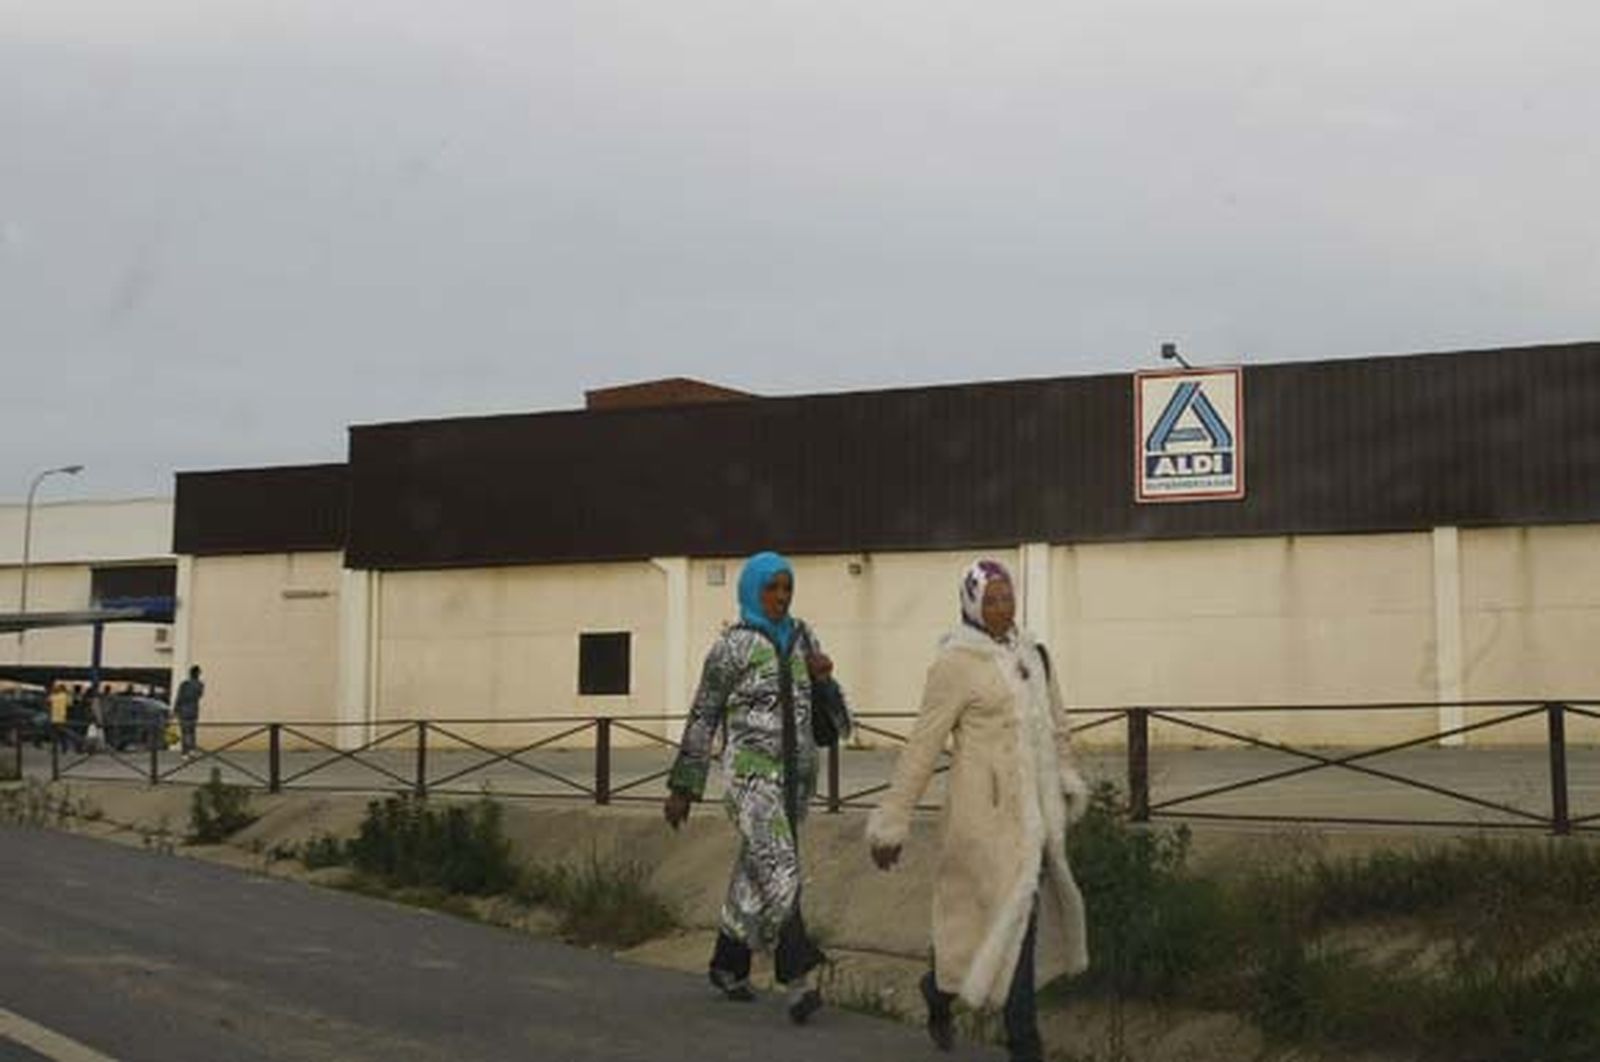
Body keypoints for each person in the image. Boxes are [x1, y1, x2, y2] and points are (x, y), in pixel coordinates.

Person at [866, 559, 1090, 1062]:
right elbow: (923, 746)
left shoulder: (1034, 655)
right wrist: (892, 820)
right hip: (980, 822)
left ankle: (1009, 1033)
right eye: (990, 599)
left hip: (1033, 820)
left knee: (1019, 923)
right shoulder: (955, 664)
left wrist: (1068, 778)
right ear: (970, 604)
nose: (1002, 608)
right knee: (988, 927)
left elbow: (1057, 727)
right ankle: (952, 1000)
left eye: (1007, 597)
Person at [664, 551, 834, 1023]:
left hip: (795, 781)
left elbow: (832, 717)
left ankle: (727, 964)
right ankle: (798, 979)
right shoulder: (730, 648)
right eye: (771, 588)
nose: (780, 597)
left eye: (786, 588)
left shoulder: (803, 638)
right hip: (750, 779)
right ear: (751, 591)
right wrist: (684, 787)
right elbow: (703, 716)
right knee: (780, 868)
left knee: (755, 872)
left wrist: (825, 680)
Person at [174, 665, 204, 755]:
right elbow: (199, 696)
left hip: (183, 710)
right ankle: (192, 749)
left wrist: (175, 709)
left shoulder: (184, 684)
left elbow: (179, 697)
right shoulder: (200, 685)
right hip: (194, 710)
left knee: (184, 732)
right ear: (198, 674)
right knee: (192, 731)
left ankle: (185, 752)